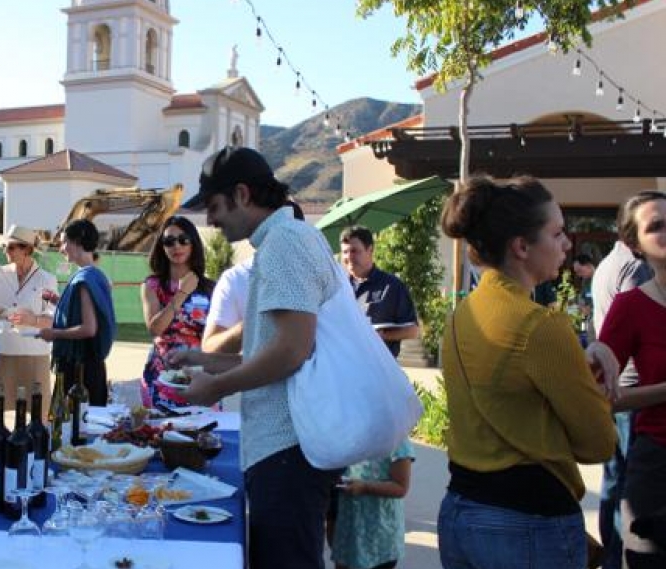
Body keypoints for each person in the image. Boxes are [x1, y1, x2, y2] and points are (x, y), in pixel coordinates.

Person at [167, 146, 340, 569]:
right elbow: (270, 355)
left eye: (214, 206)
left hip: (288, 451)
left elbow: (292, 351)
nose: (210, 220)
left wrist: (217, 386)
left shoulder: (284, 242)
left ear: (242, 194)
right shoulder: (282, 241)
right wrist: (202, 360)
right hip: (281, 452)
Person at [436, 175, 617, 569]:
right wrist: (592, 389)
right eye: (556, 233)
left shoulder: (461, 315)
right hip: (527, 522)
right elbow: (598, 443)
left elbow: (501, 399)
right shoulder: (540, 327)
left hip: (460, 511)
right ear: (521, 247)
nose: (567, 244)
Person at [594, 191, 666, 569]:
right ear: (634, 245)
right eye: (657, 227)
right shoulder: (631, 306)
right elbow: (602, 397)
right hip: (657, 464)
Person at [591, 236, 651, 569]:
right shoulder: (635, 268)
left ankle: (610, 551)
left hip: (616, 386)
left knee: (614, 477)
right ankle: (615, 555)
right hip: (630, 385)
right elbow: (634, 325)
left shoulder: (609, 263)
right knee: (627, 480)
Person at [201, 200, 304, 355]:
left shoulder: (323, 273)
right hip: (257, 377)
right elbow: (210, 348)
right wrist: (251, 324)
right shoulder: (236, 279)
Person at [0, 225, 57, 412]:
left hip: (35, 354)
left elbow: (53, 319)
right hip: (2, 352)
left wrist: (32, 321)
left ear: (28, 250)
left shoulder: (46, 280)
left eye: (12, 247)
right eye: (5, 247)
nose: (6, 251)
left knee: (39, 412)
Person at [38, 219, 116, 406]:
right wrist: (58, 301)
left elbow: (89, 329)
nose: (61, 248)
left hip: (80, 371)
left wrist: (53, 333)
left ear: (78, 242)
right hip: (89, 367)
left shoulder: (85, 279)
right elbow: (84, 312)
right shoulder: (96, 275)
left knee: (75, 428)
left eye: (64, 242)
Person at [140, 216, 215, 408]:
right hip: (162, 377)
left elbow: (217, 336)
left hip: (200, 377)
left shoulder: (210, 288)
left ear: (193, 244)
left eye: (183, 240)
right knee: (161, 435)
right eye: (169, 241)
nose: (177, 246)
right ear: (162, 247)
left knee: (203, 435)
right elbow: (155, 329)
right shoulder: (152, 285)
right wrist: (181, 293)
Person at [332, 440, 415, 569]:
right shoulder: (350, 431)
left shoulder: (397, 440)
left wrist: (365, 487)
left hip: (379, 538)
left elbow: (401, 486)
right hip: (349, 530)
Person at [339, 225, 419, 358]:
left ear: (370, 250)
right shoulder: (338, 288)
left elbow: (412, 330)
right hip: (343, 367)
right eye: (345, 252)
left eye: (354, 251)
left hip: (379, 370)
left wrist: (381, 336)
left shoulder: (392, 286)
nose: (349, 257)